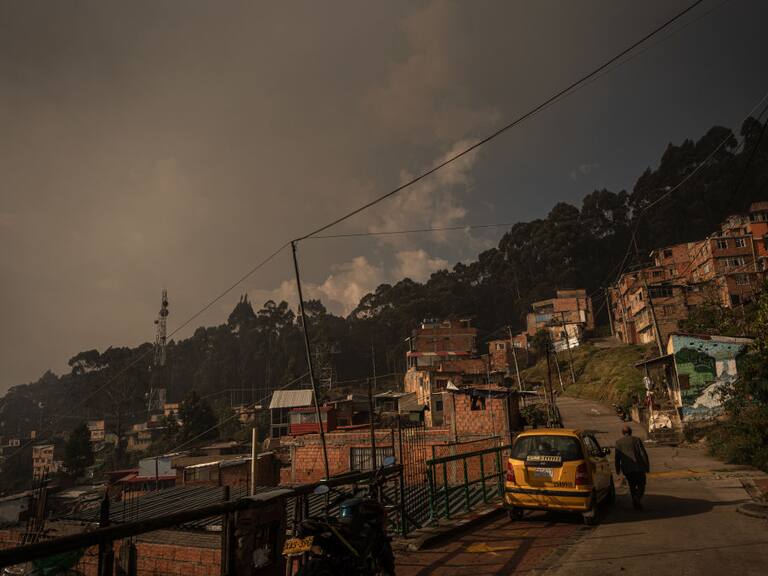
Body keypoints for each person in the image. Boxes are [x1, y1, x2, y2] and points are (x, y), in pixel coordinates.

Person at [615, 425, 650, 509]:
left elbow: (617, 458)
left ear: (623, 433)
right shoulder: (636, 440)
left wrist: (617, 469)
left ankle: (635, 502)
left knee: (632, 485)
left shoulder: (618, 442)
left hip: (627, 469)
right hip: (638, 467)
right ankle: (637, 498)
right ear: (631, 432)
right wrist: (647, 466)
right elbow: (643, 454)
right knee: (641, 485)